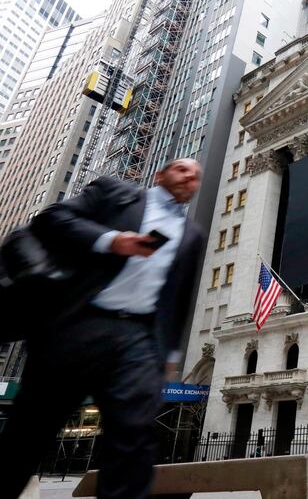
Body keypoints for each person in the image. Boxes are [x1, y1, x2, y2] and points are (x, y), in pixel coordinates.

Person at [0, 158, 206, 499]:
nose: (190, 176)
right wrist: (111, 240)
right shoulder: (115, 193)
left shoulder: (193, 234)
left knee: (134, 434)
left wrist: (169, 355)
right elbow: (51, 218)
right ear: (160, 174)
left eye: (196, 175)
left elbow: (179, 296)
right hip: (81, 320)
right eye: (182, 169)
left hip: (137, 337)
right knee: (31, 429)